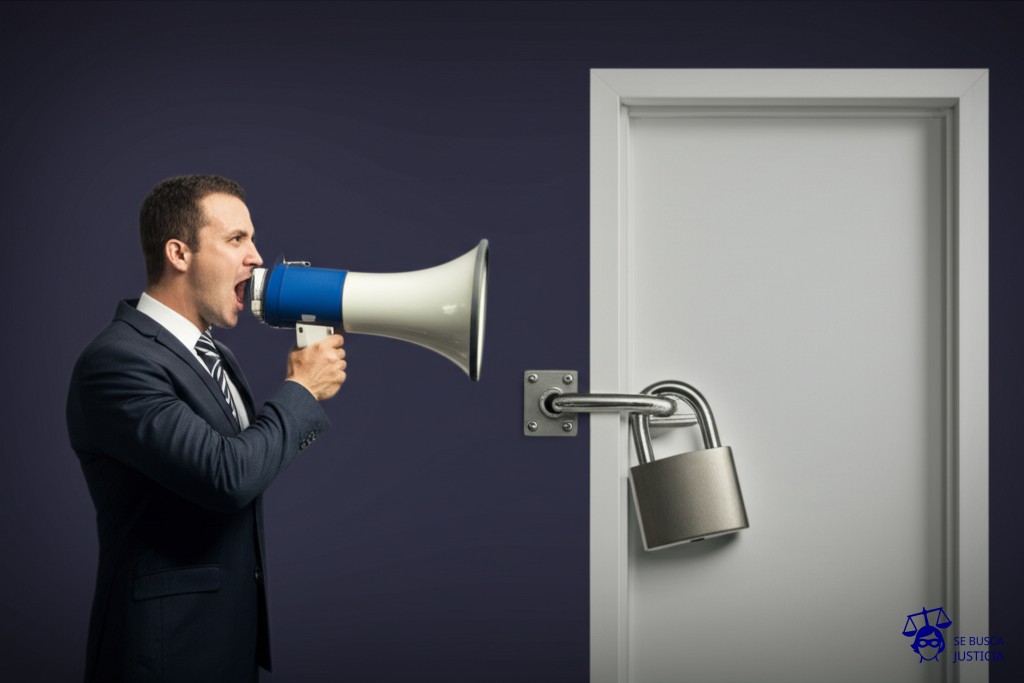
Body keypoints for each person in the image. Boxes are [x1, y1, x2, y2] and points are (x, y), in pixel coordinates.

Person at [66, 175, 347, 682]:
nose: (257, 258)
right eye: (236, 239)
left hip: (226, 645)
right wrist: (301, 390)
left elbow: (244, 469)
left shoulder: (216, 356)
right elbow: (226, 477)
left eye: (252, 239)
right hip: (164, 654)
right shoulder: (117, 361)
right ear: (179, 253)